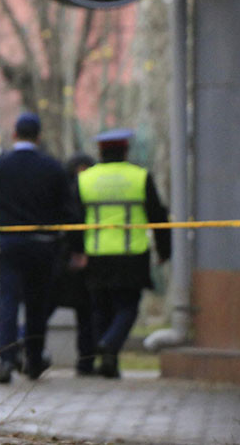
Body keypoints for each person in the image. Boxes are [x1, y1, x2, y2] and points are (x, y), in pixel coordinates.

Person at [0, 112, 75, 383]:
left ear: (14, 134)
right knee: (37, 303)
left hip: (10, 245)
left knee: (9, 301)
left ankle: (6, 359)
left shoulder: (1, 165)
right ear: (39, 136)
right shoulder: (52, 167)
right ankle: (34, 360)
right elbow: (67, 209)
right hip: (42, 246)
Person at [76, 128, 171, 378]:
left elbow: (75, 219)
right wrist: (164, 250)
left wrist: (77, 251)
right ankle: (109, 345)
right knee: (128, 308)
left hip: (96, 254)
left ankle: (108, 361)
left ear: (100, 152)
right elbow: (157, 215)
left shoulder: (86, 179)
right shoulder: (139, 177)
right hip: (132, 255)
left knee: (101, 310)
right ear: (126, 150)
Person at [51, 153, 97, 376]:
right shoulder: (80, 189)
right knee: (85, 312)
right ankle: (86, 361)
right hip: (75, 258)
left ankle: (85, 361)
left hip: (65, 257)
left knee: (51, 305)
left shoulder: (62, 188)